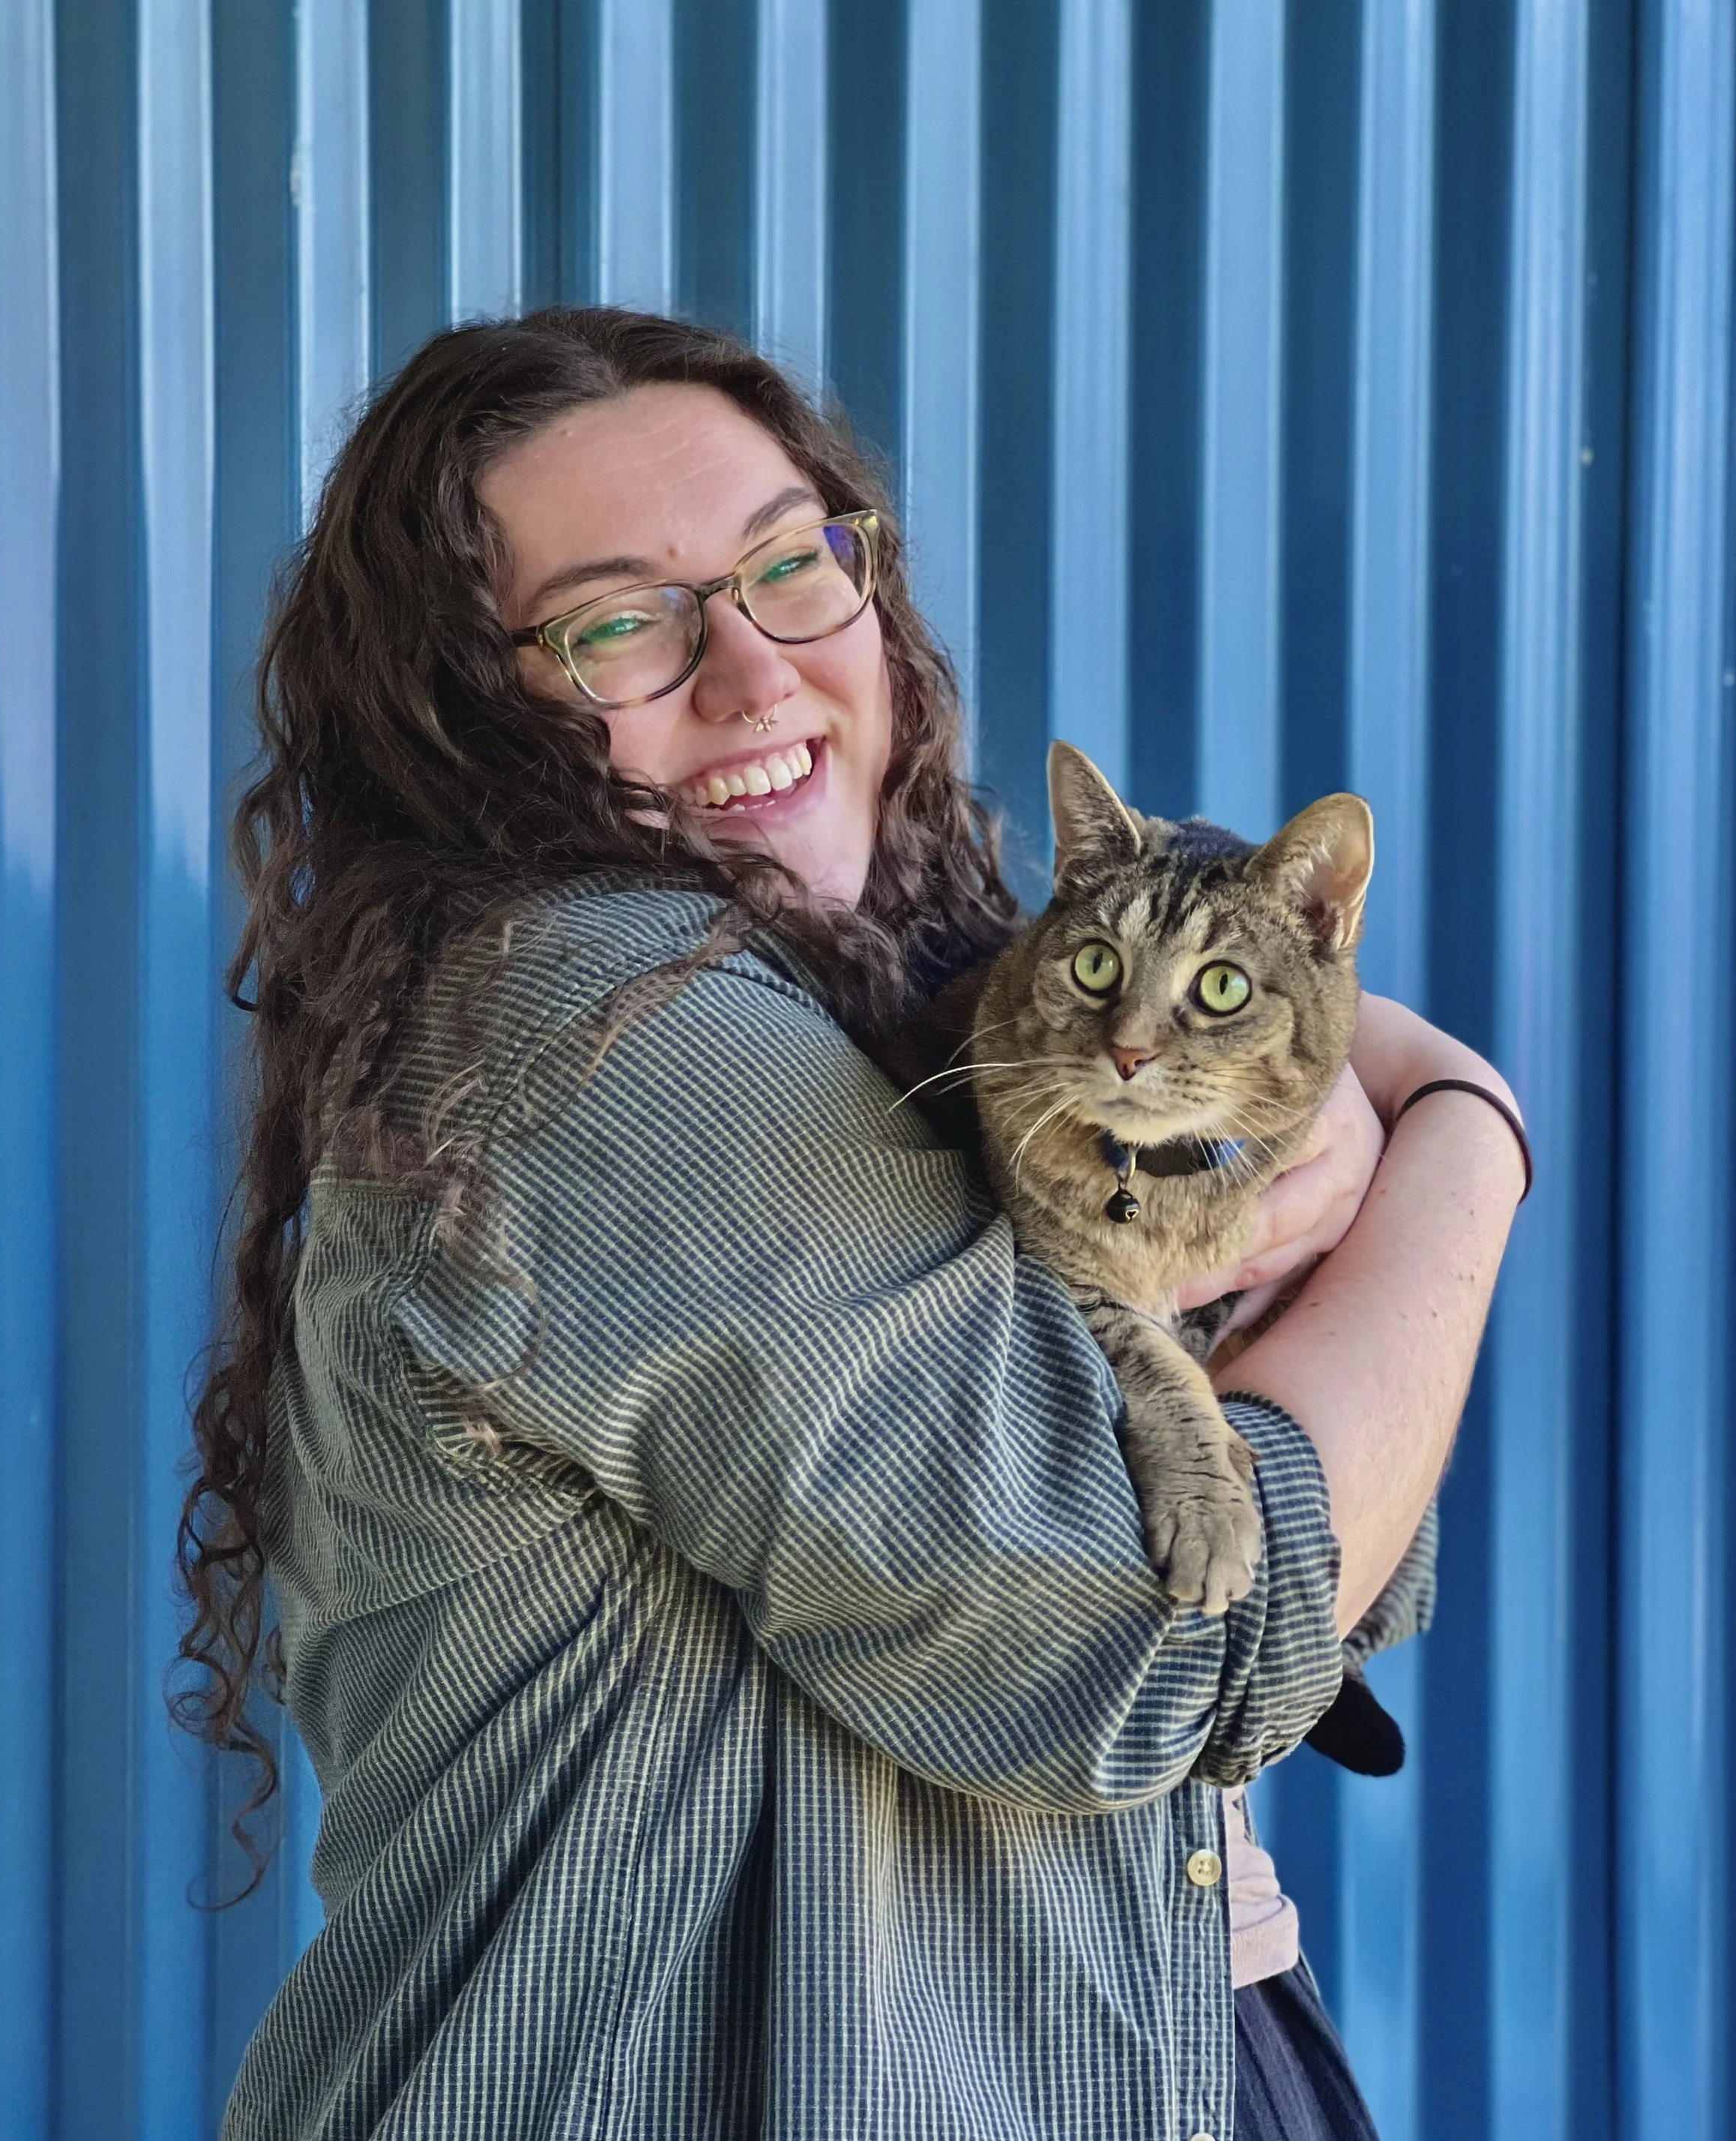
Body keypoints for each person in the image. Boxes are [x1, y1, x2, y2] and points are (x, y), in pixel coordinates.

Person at [184, 308, 1526, 2140]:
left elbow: (1345, 1581)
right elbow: (1154, 1641)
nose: (746, 672)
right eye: (613, 625)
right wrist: (1466, 1134)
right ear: (460, 711)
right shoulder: (608, 1032)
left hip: (1155, 2020)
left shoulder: (901, 987)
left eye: (783, 565)